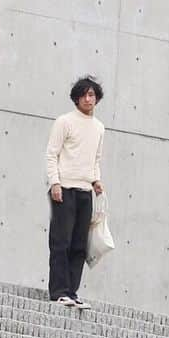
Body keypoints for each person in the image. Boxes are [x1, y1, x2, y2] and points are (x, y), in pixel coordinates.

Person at [45, 75, 105, 308]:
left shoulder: (99, 128)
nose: (88, 99)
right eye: (84, 95)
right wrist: (55, 183)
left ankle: (72, 291)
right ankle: (58, 291)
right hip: (64, 188)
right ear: (76, 99)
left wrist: (96, 180)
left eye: (92, 95)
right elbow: (52, 154)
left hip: (84, 190)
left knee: (80, 244)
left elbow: (96, 159)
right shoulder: (65, 121)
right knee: (61, 241)